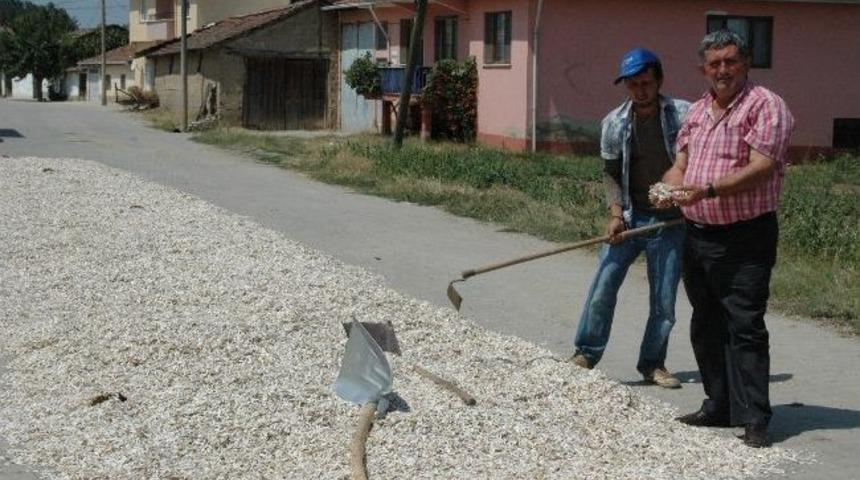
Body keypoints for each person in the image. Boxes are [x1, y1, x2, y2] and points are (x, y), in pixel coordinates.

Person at [658, 30, 794, 448]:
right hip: (697, 234)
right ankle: (718, 404)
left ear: (746, 63)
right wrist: (669, 189)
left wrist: (709, 189)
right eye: (714, 63)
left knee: (745, 325)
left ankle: (755, 417)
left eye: (730, 61)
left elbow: (763, 167)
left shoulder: (765, 105)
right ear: (703, 69)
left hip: (745, 236)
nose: (723, 70)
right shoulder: (697, 110)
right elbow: (679, 165)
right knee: (706, 322)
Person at [569, 48, 689, 389]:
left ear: (659, 80)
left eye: (646, 82)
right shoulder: (615, 122)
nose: (640, 90)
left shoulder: (684, 115)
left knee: (664, 300)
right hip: (632, 217)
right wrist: (615, 214)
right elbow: (610, 173)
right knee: (603, 285)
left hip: (670, 221)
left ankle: (653, 364)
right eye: (632, 84)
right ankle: (586, 353)